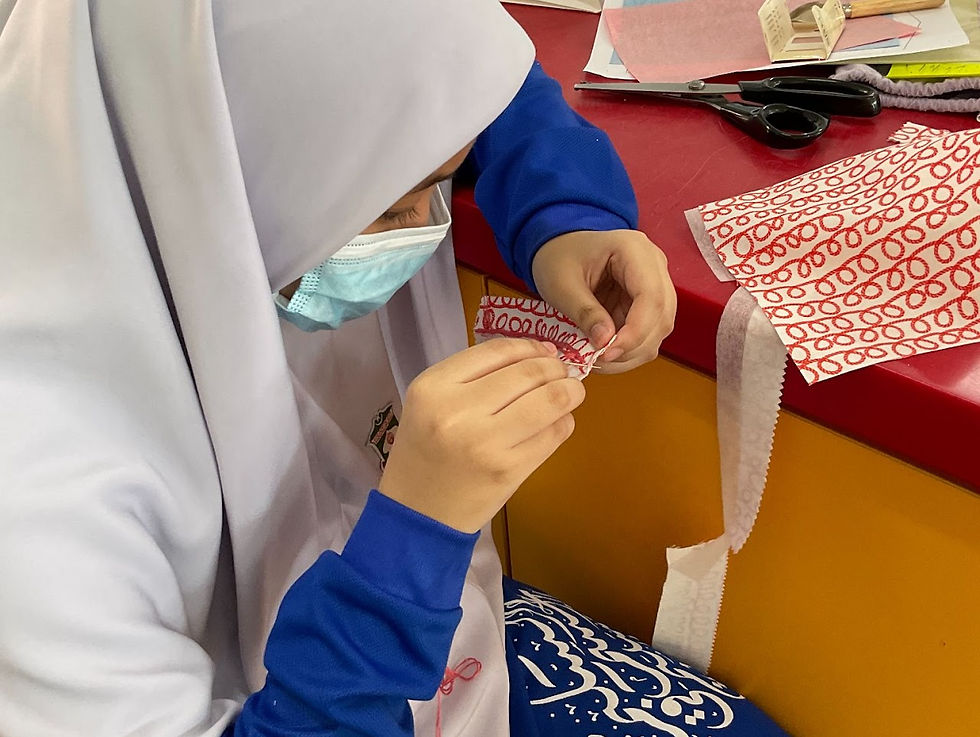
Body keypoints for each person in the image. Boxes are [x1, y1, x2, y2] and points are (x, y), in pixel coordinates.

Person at [0, 1, 787, 735]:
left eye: (442, 181)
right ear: (215, 164)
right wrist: (417, 532)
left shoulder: (196, 158)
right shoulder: (40, 507)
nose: (423, 231)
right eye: (392, 201)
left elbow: (483, 92)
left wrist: (565, 220)